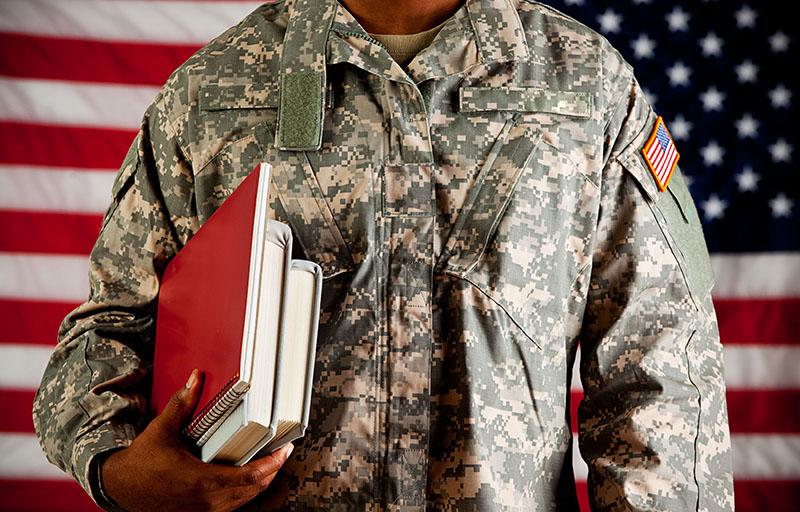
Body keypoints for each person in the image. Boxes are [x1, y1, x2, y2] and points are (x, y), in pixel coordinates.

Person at [32, 0, 736, 510]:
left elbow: (662, 370)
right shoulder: (209, 95)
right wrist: (118, 472)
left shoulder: (585, 88)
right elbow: (110, 332)